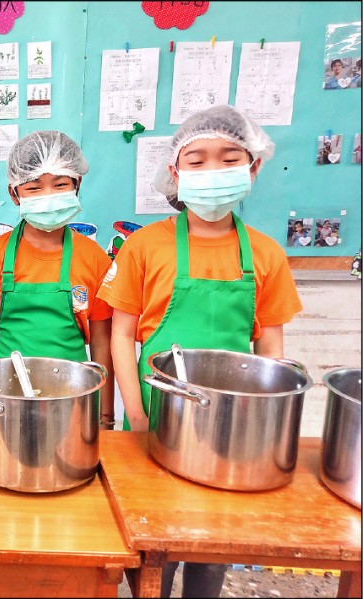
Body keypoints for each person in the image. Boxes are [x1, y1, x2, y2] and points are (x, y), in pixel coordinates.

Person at [97, 105, 303, 598]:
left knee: (213, 544)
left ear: (252, 168)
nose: (213, 171)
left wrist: (267, 425)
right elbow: (122, 336)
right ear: (174, 171)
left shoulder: (266, 253)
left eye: (229, 159)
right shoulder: (145, 247)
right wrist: (139, 412)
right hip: (157, 417)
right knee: (154, 548)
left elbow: (269, 345)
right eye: (198, 160)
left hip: (234, 428)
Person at [0, 130, 115, 429]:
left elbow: (102, 344)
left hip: (74, 394)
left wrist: (105, 415)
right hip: (4, 395)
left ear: (77, 185)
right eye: (34, 188)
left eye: (60, 185)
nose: (48, 196)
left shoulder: (94, 258)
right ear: (14, 193)